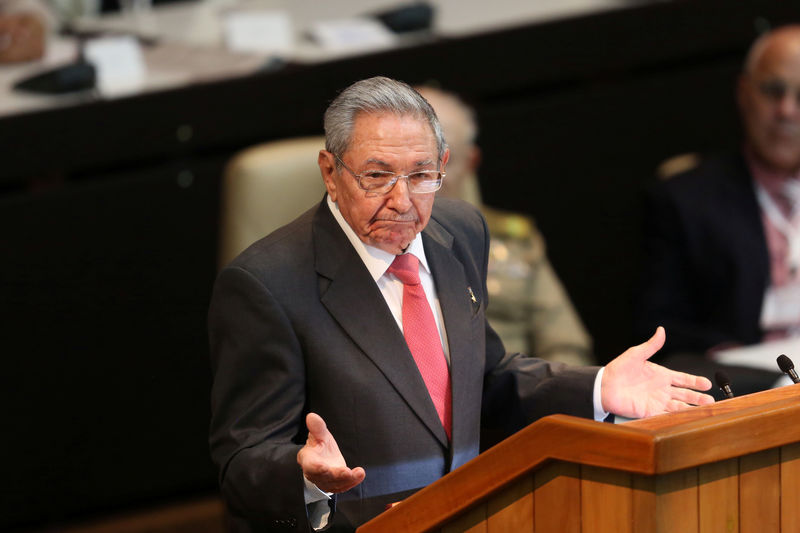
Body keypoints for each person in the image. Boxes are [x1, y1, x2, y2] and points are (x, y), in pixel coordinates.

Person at [208, 76, 713, 532]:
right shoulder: (265, 283)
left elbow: (486, 379)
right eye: (377, 176)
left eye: (421, 175)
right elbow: (242, 461)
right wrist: (305, 476)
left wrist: (600, 387)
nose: (403, 201)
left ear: (444, 167)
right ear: (330, 171)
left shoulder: (461, 232)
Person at [636, 25, 800, 395]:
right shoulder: (685, 197)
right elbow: (658, 325)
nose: (786, 111)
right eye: (773, 91)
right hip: (750, 374)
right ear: (744, 92)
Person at [415, 85, 593, 365]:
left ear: (471, 162)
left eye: (443, 162)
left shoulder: (513, 241)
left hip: (520, 397)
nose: (429, 179)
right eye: (413, 166)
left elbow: (565, 345)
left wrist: (555, 397)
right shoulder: (362, 247)